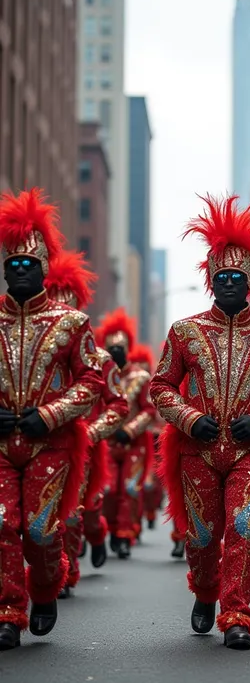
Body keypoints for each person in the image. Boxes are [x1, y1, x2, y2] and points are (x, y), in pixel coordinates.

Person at [151, 194, 250, 650]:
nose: (231, 283)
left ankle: (236, 615)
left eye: (239, 276)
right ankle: (205, 589)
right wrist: (189, 418)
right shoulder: (184, 331)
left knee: (243, 527)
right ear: (211, 281)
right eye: (223, 277)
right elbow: (160, 387)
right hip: (196, 450)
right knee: (200, 535)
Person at [0, 189, 103, 649]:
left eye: (29, 265)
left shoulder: (72, 323)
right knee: (2, 523)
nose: (20, 271)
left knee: (40, 528)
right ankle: (8, 610)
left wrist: (51, 414)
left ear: (43, 270)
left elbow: (92, 382)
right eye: (13, 266)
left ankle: (45, 588)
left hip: (52, 443)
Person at [44, 250, 129, 596]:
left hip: (84, 446)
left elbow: (118, 405)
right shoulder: (33, 351)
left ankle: (76, 559)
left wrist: (91, 433)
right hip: (39, 442)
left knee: (80, 510)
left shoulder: (100, 358)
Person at [97, 308, 155, 559]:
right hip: (107, 443)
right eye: (112, 347)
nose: (116, 351)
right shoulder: (99, 376)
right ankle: (108, 529)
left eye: (120, 347)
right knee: (109, 489)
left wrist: (130, 430)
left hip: (134, 445)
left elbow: (148, 410)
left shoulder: (141, 377)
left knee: (130, 489)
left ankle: (124, 534)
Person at [127, 344, 162, 532]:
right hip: (141, 438)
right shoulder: (130, 382)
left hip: (163, 440)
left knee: (153, 484)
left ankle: (149, 514)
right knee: (140, 484)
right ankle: (131, 525)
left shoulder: (160, 384)